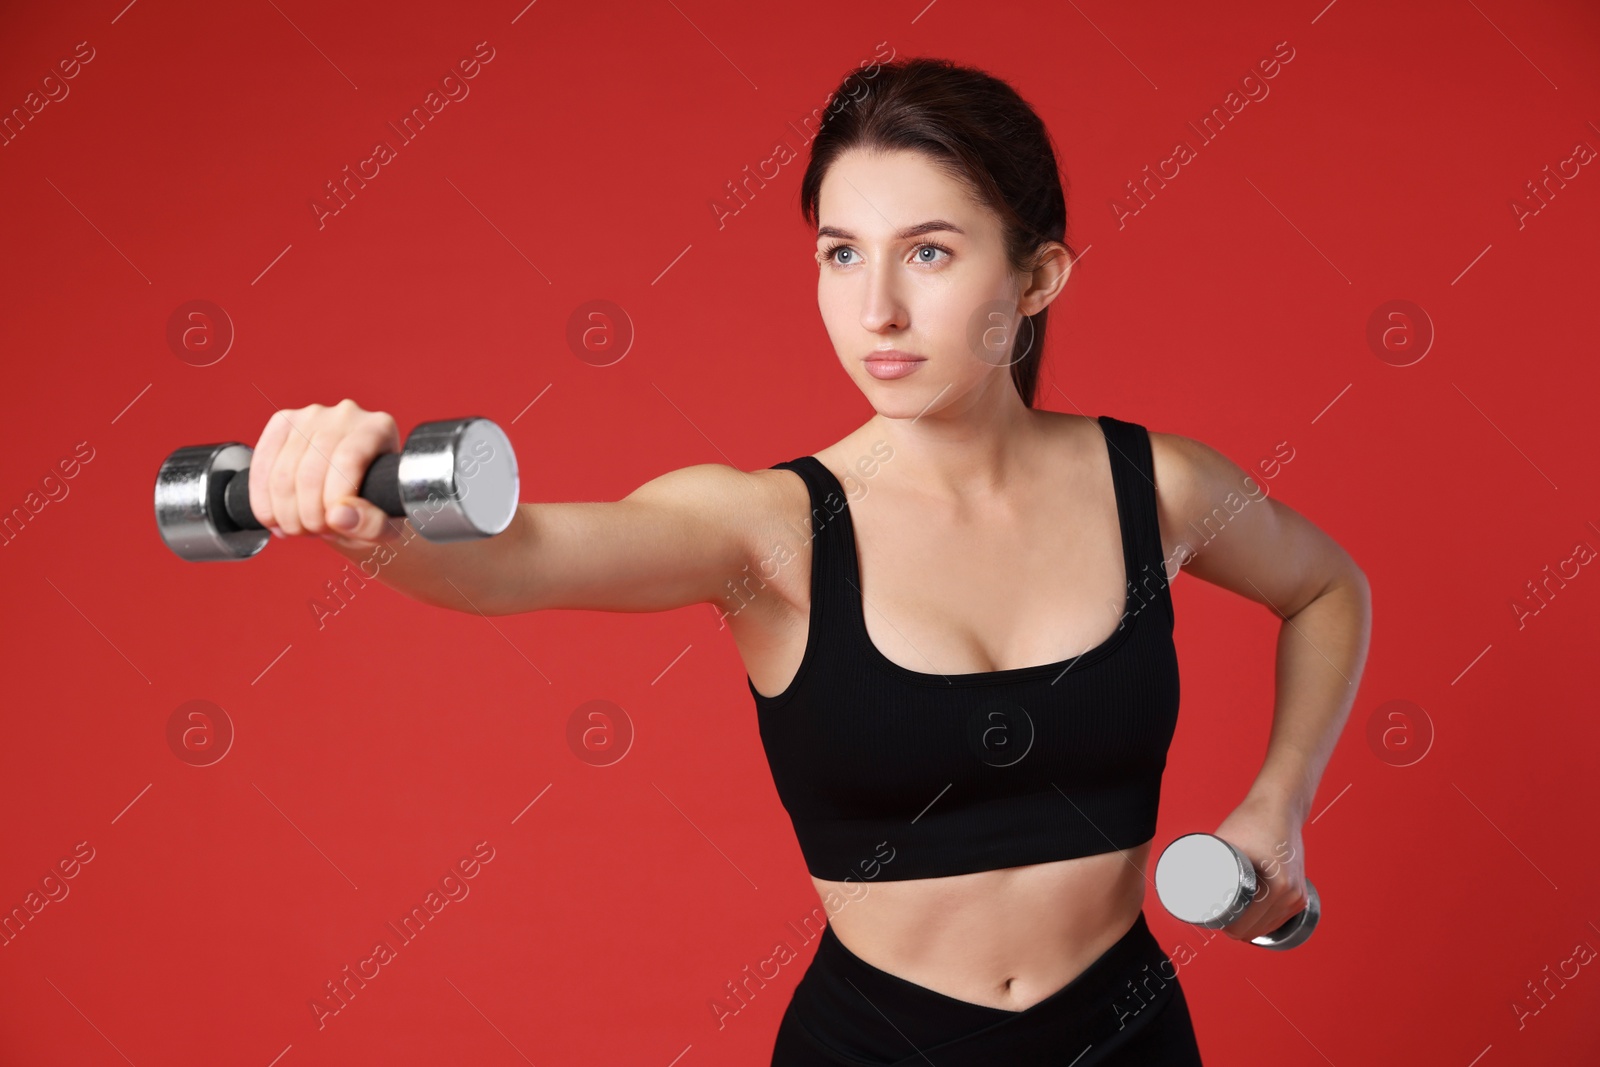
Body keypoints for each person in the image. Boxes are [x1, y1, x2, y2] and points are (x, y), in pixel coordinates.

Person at [244, 56, 1370, 1067]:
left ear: (1036, 279)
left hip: (1127, 1037)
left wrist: (1276, 806)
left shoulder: (1158, 486)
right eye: (841, 254)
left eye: (926, 252)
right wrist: (365, 517)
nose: (875, 308)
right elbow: (510, 561)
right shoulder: (767, 528)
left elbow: (1326, 586)